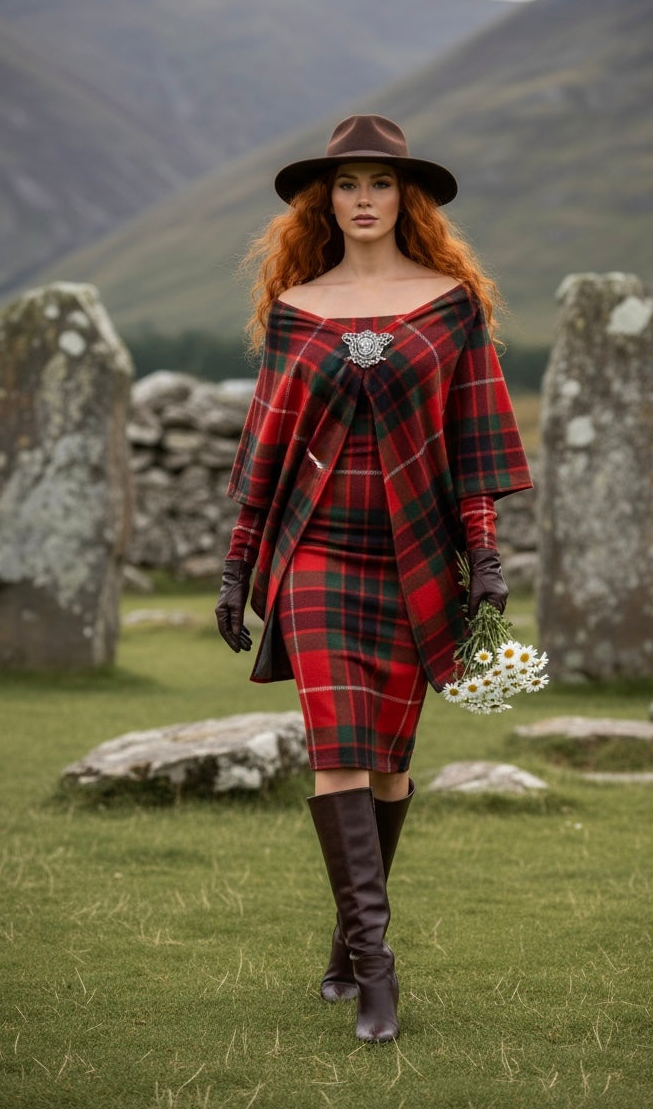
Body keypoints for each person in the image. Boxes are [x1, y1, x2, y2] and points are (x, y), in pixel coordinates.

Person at [216, 114, 531, 1043]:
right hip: (315, 554)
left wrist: (486, 558)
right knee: (338, 752)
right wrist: (240, 567)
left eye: (379, 184)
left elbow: (473, 443)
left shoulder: (450, 304)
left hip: (415, 556)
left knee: (389, 771)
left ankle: (347, 946)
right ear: (326, 199)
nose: (362, 200)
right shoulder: (294, 308)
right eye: (346, 184)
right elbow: (264, 443)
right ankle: (381, 976)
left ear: (407, 198)